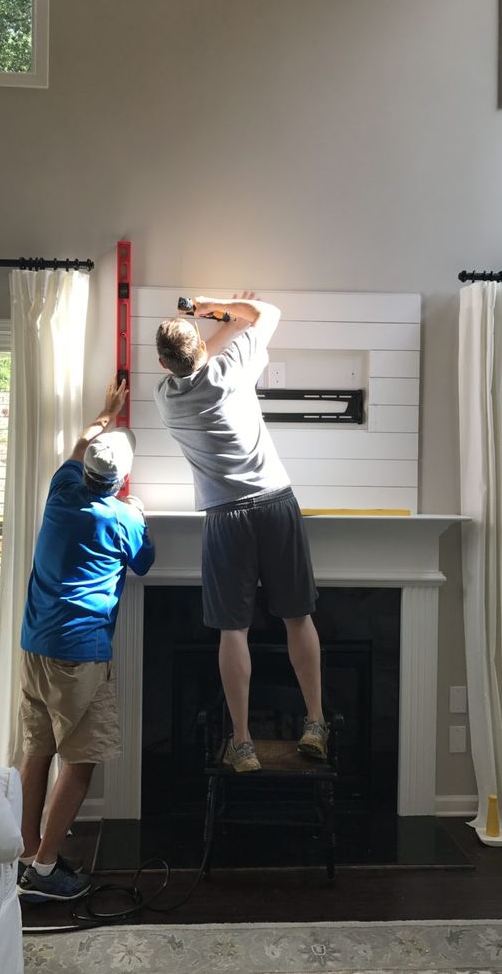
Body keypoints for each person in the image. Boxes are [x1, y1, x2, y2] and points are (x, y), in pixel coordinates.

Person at [154, 293, 327, 773]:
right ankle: (315, 722)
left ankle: (243, 742)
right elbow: (268, 313)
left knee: (234, 629)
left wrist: (210, 327)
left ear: (163, 362)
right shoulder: (229, 371)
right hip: (275, 502)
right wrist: (218, 306)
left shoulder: (166, 398)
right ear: (200, 351)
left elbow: (193, 357)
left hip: (224, 515)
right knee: (298, 616)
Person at [17, 379, 154, 901]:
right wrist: (137, 510)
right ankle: (48, 872)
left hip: (36, 646)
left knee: (38, 750)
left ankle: (29, 853)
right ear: (120, 481)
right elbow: (144, 564)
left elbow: (79, 448)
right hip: (79, 655)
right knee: (81, 758)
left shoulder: (61, 489)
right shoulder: (123, 519)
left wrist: (104, 414)